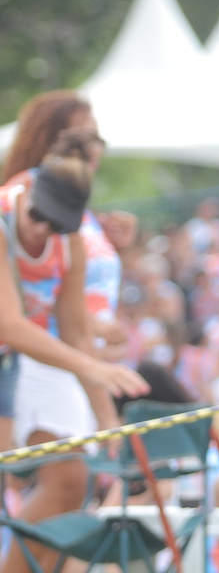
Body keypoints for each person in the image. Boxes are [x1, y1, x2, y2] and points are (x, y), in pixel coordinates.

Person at [0, 131, 149, 573]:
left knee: (71, 480)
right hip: (17, 351)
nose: (43, 230)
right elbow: (9, 323)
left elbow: (75, 334)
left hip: (21, 362)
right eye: (39, 216)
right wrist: (90, 366)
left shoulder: (72, 244)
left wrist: (107, 420)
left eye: (58, 223)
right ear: (28, 189)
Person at [1, 90, 137, 391]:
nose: (95, 147)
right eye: (85, 135)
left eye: (96, 137)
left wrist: (118, 251)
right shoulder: (28, 197)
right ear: (53, 138)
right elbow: (28, 292)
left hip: (79, 359)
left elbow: (83, 282)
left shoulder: (71, 202)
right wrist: (90, 334)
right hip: (43, 362)